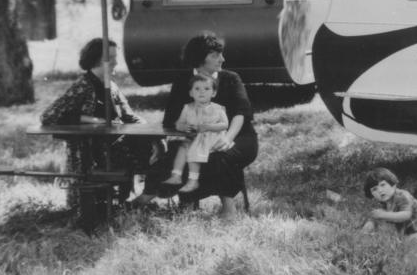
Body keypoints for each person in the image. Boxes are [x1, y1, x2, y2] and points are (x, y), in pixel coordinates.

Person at [39, 37, 163, 204]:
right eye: (110, 58)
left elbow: (129, 116)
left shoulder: (111, 86)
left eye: (115, 58)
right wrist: (91, 120)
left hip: (117, 143)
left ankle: (141, 198)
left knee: (162, 149)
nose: (116, 63)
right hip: (93, 151)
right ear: (96, 59)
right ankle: (130, 201)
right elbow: (49, 116)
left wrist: (153, 136)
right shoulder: (83, 85)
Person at [157, 31, 258, 217]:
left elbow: (240, 114)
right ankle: (187, 203)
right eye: (215, 55)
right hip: (196, 136)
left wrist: (227, 138)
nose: (222, 59)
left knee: (220, 155)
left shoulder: (231, 78)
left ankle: (228, 207)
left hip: (238, 135)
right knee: (182, 153)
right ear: (199, 58)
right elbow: (171, 119)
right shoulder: (182, 80)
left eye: (221, 53)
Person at [165, 74, 231, 192]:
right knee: (183, 147)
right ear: (191, 93)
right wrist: (183, 127)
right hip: (195, 137)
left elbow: (225, 125)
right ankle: (176, 175)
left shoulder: (218, 109)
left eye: (206, 89)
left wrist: (209, 127)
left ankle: (193, 180)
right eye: (197, 89)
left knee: (193, 149)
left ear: (213, 93)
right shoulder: (187, 108)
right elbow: (178, 123)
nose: (202, 92)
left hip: (213, 138)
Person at [361, 167, 417, 240]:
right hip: (413, 228)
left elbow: (406, 215)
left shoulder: (402, 195)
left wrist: (383, 215)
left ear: (393, 185)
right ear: (371, 194)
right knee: (403, 240)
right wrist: (369, 226)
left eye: (383, 185)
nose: (380, 190)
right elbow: (376, 217)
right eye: (374, 189)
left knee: (406, 241)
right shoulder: (383, 202)